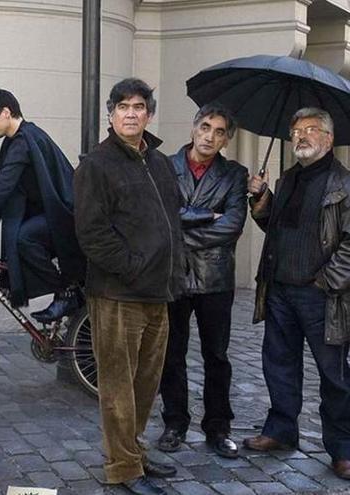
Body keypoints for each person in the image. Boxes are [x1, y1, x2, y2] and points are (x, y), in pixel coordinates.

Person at [74, 78, 184, 495]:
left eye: (139, 106)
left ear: (149, 114)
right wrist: (134, 268)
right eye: (123, 107)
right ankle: (122, 467)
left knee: (145, 383)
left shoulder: (158, 161)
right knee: (118, 386)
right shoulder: (96, 164)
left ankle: (133, 449)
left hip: (159, 292)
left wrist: (174, 269)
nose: (131, 113)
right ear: (111, 114)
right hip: (118, 293)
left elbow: (171, 221)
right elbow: (92, 233)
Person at [245, 107, 350, 481]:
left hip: (322, 296)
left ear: (328, 138)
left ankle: (342, 448)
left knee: (334, 375)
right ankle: (281, 429)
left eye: (311, 130)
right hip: (280, 290)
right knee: (279, 364)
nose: (302, 137)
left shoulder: (343, 184)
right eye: (296, 131)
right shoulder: (289, 179)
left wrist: (327, 281)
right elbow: (274, 226)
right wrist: (261, 198)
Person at [157, 104, 248, 459]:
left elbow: (232, 226)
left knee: (217, 355)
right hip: (173, 275)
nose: (210, 136)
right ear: (194, 128)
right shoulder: (165, 166)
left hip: (215, 278)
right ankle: (175, 422)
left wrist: (181, 229)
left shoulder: (235, 175)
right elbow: (162, 216)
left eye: (220, 131)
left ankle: (218, 426)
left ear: (228, 138)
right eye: (206, 127)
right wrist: (205, 215)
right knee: (171, 354)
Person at [0, 88, 84, 322]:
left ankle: (67, 293)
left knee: (24, 238)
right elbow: (13, 190)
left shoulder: (24, 140)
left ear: (6, 112)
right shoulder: (21, 138)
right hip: (54, 213)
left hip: (64, 215)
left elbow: (3, 184)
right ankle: (66, 291)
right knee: (22, 237)